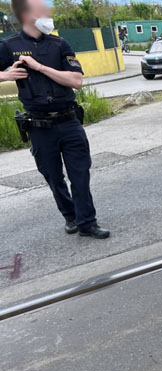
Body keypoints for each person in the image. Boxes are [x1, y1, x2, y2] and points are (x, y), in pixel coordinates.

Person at [0, 0, 110, 238]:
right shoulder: (9, 46)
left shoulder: (60, 44)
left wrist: (39, 67)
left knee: (80, 173)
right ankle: (70, 216)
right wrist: (5, 74)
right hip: (39, 126)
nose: (48, 14)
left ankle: (87, 223)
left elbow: (76, 81)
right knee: (52, 175)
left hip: (68, 121)